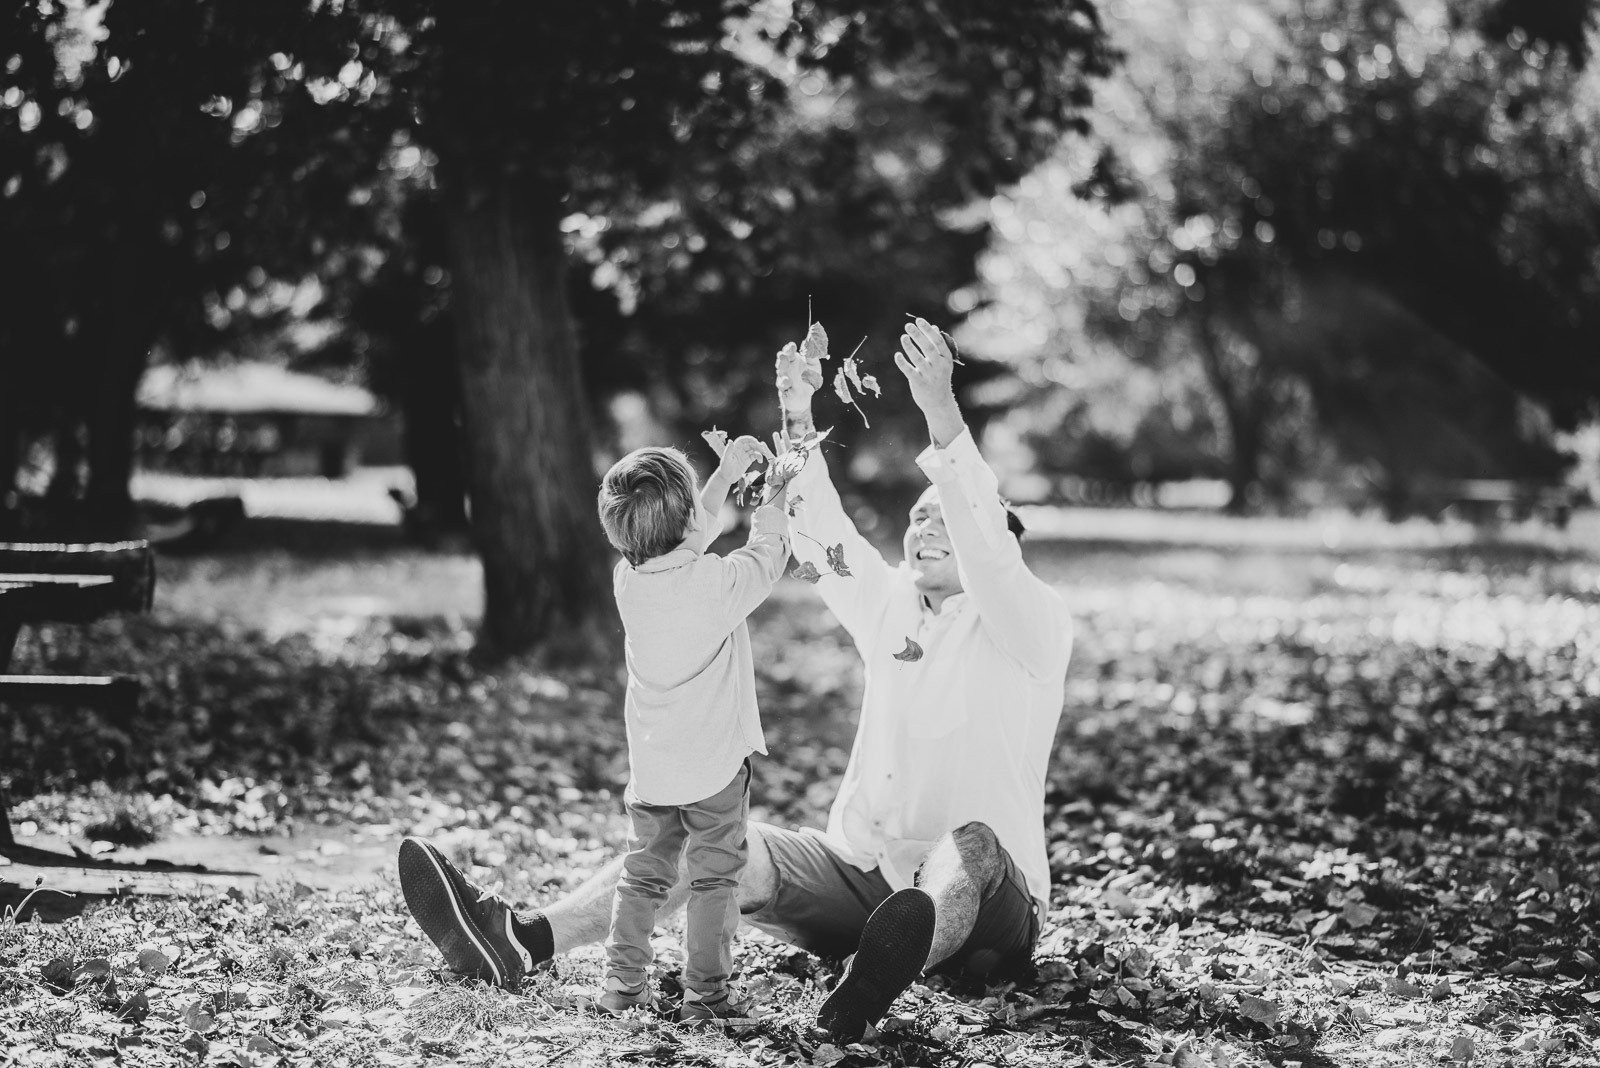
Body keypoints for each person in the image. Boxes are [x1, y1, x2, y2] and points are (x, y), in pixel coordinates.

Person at [396, 319, 1073, 1042]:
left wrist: (941, 410)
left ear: (993, 528)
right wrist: (797, 413)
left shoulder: (1031, 621)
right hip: (865, 876)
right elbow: (824, 541)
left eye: (946, 517)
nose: (926, 527)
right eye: (917, 516)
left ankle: (880, 979)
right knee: (717, 841)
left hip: (994, 900)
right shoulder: (892, 606)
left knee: (967, 847)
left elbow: (988, 549)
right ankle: (519, 940)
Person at [402, 437, 788, 1024]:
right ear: (687, 520)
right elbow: (769, 551)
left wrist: (723, 473)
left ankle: (622, 988)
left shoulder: (629, 582)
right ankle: (705, 996)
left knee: (643, 878)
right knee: (713, 880)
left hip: (655, 771)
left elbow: (691, 532)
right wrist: (772, 492)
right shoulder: (718, 585)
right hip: (714, 770)